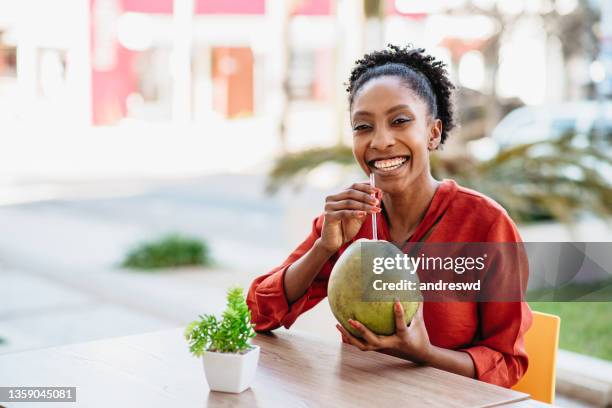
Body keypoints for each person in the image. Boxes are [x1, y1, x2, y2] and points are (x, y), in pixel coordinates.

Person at [247, 44, 532, 388]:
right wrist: (323, 248)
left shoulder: (486, 224)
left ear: (433, 132)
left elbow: (508, 365)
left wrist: (424, 353)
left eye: (399, 121)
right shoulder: (348, 220)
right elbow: (259, 314)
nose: (380, 141)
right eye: (363, 126)